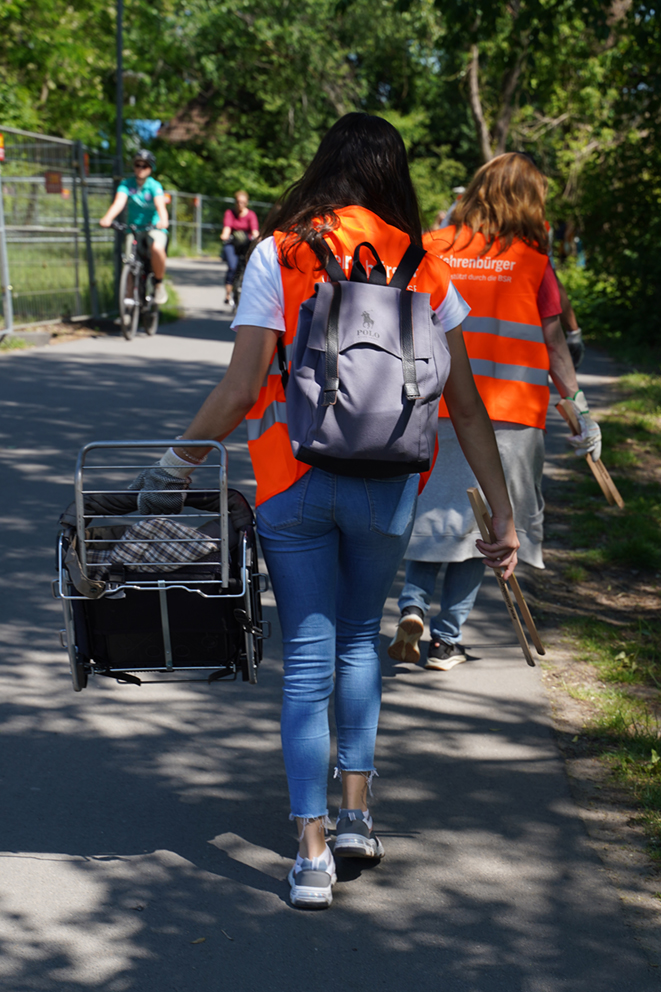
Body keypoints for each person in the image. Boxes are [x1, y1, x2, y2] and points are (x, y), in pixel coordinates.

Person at [130, 113, 519, 909]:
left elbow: (241, 391)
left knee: (305, 662)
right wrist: (501, 516)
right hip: (390, 489)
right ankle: (355, 817)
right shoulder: (426, 265)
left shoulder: (282, 252)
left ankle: (309, 856)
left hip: (291, 485)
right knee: (358, 643)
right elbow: (468, 410)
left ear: (324, 168)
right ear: (390, 176)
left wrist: (174, 467)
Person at [388, 152, 601, 672]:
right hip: (509, 416)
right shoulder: (533, 260)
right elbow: (554, 346)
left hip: (430, 408)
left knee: (435, 517)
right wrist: (579, 410)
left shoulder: (432, 248)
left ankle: (413, 604)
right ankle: (445, 640)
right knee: (485, 531)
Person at [99, 150, 169, 305]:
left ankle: (158, 284)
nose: (140, 168)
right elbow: (119, 202)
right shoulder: (126, 184)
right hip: (134, 229)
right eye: (137, 165)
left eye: (145, 165)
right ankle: (129, 299)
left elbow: (160, 205)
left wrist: (163, 220)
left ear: (151, 168)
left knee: (157, 247)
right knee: (129, 260)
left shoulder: (154, 186)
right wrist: (107, 218)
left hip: (153, 227)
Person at [220, 190, 260, 305]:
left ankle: (247, 293)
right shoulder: (230, 213)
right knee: (232, 267)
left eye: (242, 202)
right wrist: (224, 235)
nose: (240, 204)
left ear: (246, 203)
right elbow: (227, 227)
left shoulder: (251, 215)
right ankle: (228, 294)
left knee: (249, 268)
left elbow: (255, 231)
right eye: (238, 202)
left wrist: (258, 239)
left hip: (245, 245)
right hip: (232, 244)